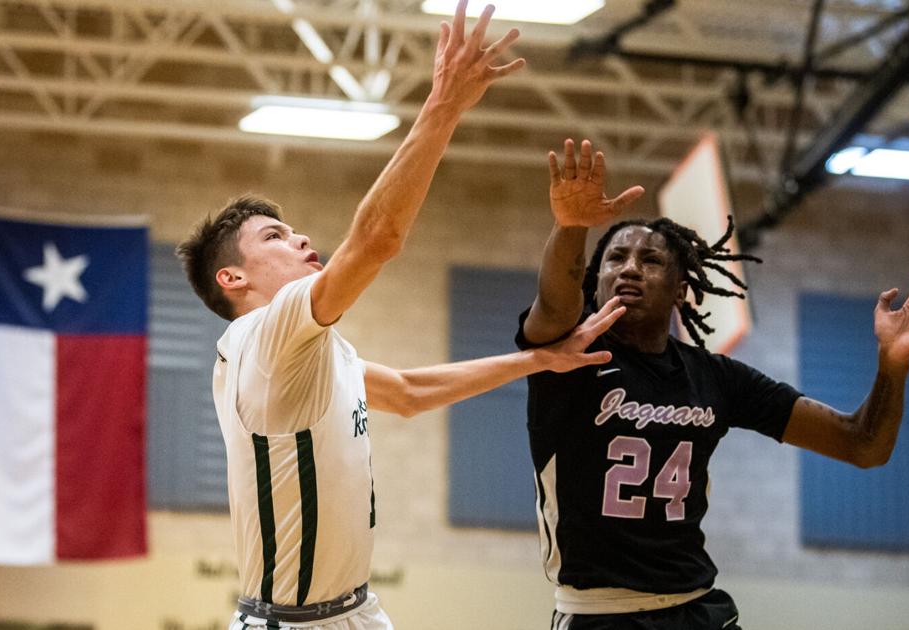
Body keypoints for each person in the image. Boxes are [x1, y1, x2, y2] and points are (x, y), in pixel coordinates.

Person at [175, 4, 629, 629]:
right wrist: (443, 104)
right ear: (233, 279)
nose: (302, 239)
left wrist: (541, 359)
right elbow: (378, 239)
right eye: (275, 236)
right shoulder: (264, 335)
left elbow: (410, 393)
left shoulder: (312, 352)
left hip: (359, 611)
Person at [516, 139, 909, 630]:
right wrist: (571, 227)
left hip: (697, 609)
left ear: (681, 289)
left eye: (651, 260)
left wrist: (892, 364)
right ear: (595, 280)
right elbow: (555, 303)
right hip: (601, 615)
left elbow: (863, 445)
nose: (630, 268)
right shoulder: (564, 356)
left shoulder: (716, 378)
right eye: (616, 258)